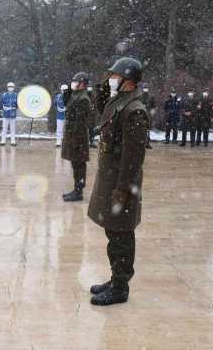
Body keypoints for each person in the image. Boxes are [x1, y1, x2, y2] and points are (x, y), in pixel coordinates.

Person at [88, 57, 149, 306]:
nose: (110, 80)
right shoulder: (119, 101)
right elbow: (100, 104)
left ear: (128, 81)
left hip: (121, 183)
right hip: (110, 179)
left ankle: (121, 287)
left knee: (121, 235)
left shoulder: (134, 110)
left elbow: (133, 158)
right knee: (113, 233)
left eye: (115, 76)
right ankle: (116, 278)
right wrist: (104, 83)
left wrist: (122, 189)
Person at [61, 72, 92, 202]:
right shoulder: (76, 95)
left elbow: (80, 122)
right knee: (76, 164)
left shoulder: (83, 98)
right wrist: (68, 90)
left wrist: (74, 139)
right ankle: (76, 189)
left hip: (78, 138)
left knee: (79, 164)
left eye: (75, 81)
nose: (73, 83)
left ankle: (79, 191)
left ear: (82, 84)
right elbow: (65, 103)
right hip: (72, 136)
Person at [0, 82, 18, 146]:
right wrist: (4, 108)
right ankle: (3, 140)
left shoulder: (16, 95)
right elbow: (1, 104)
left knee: (13, 128)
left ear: (14, 88)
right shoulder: (4, 95)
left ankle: (13, 141)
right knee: (4, 128)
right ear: (7, 88)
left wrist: (14, 107)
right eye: (9, 87)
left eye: (12, 87)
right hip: (5, 114)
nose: (10, 88)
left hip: (13, 114)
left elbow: (18, 105)